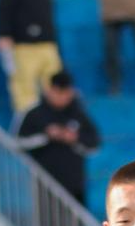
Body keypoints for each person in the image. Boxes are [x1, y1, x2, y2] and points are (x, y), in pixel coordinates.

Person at [0, 0, 63, 117]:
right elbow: (4, 10)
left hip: (47, 43)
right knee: (24, 92)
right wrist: (3, 35)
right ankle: (27, 124)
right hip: (23, 45)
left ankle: (54, 123)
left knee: (56, 87)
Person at [16, 70, 102, 204]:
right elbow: (19, 142)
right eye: (58, 92)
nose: (62, 97)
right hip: (45, 182)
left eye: (66, 93)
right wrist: (46, 136)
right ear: (50, 91)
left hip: (74, 184)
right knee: (47, 215)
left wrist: (75, 138)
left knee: (75, 215)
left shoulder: (79, 114)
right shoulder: (35, 114)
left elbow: (95, 144)